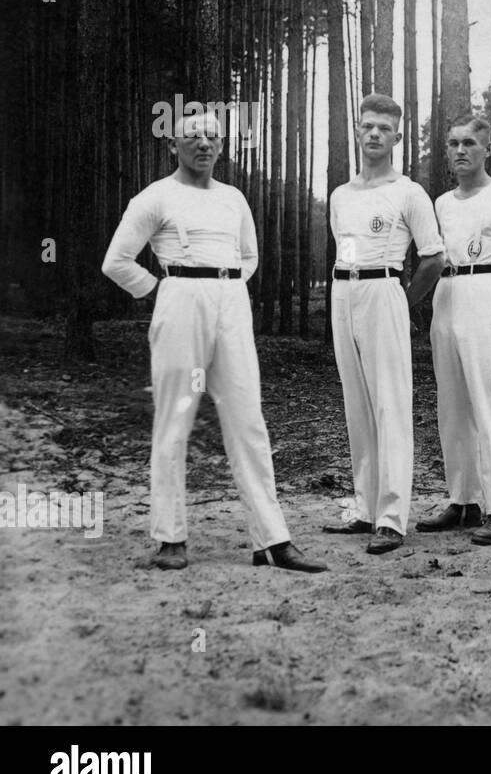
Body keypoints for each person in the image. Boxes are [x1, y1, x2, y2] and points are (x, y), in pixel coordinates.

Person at [101, 110, 326, 572]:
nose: (202, 144)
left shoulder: (233, 198)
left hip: (230, 304)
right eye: (191, 137)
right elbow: (116, 261)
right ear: (173, 145)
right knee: (175, 418)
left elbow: (248, 256)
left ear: (222, 147)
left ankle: (272, 540)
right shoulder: (155, 197)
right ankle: (170, 538)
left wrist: (225, 289)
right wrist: (162, 289)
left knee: (248, 420)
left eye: (211, 137)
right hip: (180, 300)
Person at [324, 93, 445, 555]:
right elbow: (345, 249)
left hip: (385, 290)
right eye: (367, 125)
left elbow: (433, 257)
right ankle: (365, 506)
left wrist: (404, 300)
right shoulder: (341, 195)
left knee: (390, 405)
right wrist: (348, 294)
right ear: (357, 130)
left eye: (384, 128)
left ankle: (392, 517)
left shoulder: (408, 192)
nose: (374, 134)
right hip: (344, 290)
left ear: (397, 136)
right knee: (357, 404)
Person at [415, 116, 491, 545]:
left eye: (470, 143)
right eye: (453, 143)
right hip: (446, 298)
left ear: (487, 149)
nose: (461, 150)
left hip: (487, 295)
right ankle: (463, 499)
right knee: (452, 407)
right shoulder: (442, 203)